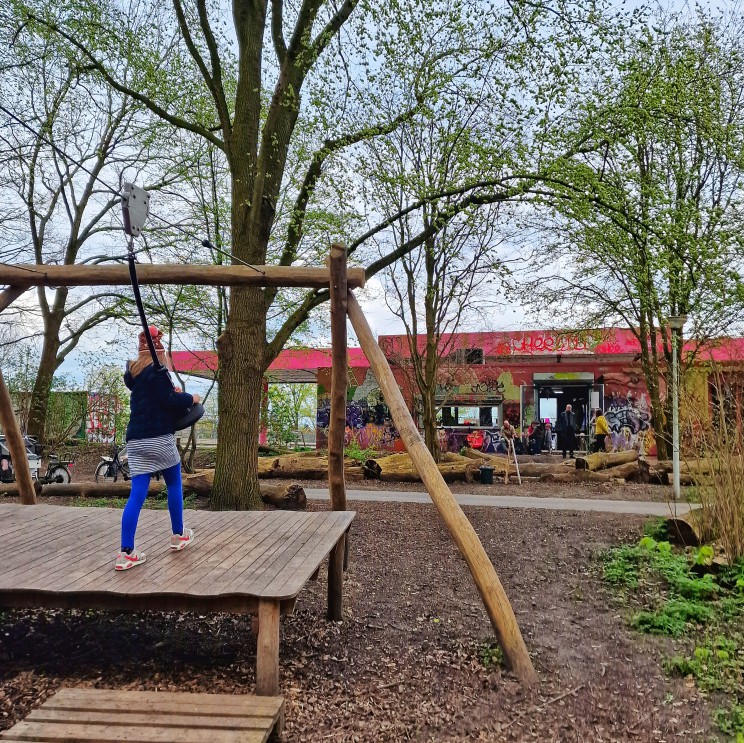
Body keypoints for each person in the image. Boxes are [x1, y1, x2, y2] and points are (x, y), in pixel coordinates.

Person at [115, 326, 201, 571]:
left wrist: (169, 393)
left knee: (137, 494)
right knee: (173, 483)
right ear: (159, 351)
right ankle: (178, 535)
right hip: (159, 438)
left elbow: (154, 398)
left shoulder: (136, 375)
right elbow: (170, 401)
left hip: (136, 440)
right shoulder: (159, 371)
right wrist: (190, 398)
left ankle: (126, 552)